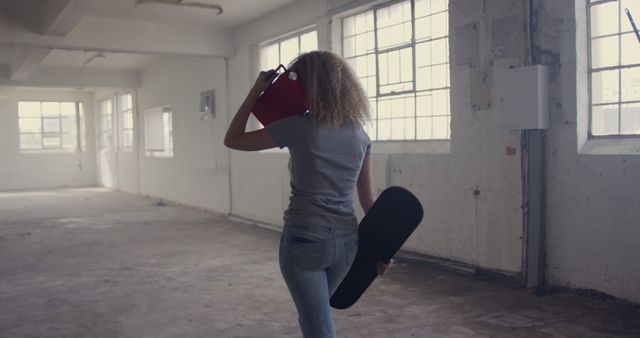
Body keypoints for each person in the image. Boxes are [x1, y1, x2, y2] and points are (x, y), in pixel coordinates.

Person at [224, 50, 390, 338]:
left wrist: (256, 92)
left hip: (306, 242)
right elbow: (369, 200)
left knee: (319, 329)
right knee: (315, 320)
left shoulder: (298, 127)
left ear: (308, 86)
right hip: (347, 245)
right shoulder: (361, 135)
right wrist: (382, 250)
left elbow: (233, 139)